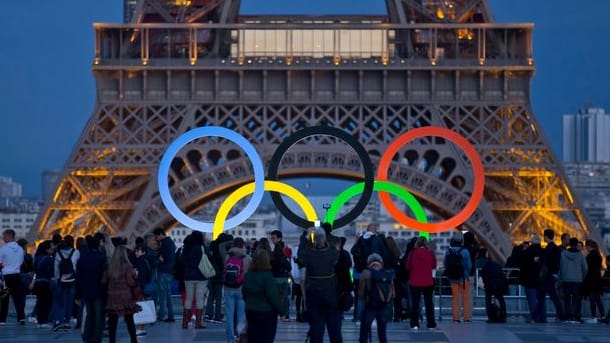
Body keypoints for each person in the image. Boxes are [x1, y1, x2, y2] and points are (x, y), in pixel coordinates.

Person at [303, 228, 342, 343]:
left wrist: (305, 238)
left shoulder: (309, 253)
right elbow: (335, 255)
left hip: (314, 294)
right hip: (330, 293)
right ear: (325, 239)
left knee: (316, 329)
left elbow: (301, 255)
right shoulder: (331, 253)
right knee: (334, 329)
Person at [242, 250, 285, 343]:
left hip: (251, 310)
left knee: (253, 337)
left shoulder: (248, 275)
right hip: (266, 312)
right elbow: (273, 296)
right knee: (266, 338)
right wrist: (281, 311)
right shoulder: (268, 277)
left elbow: (244, 294)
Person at [350, 223, 390, 322]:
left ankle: (358, 317)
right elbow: (385, 253)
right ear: (374, 230)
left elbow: (353, 251)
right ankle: (376, 317)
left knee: (360, 295)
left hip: (360, 272)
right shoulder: (378, 240)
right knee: (375, 294)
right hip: (375, 271)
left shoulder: (360, 239)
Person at [103, 245, 141, 343]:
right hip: (125, 297)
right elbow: (130, 282)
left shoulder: (110, 265)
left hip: (112, 297)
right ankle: (134, 340)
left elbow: (103, 281)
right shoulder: (127, 266)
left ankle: (112, 341)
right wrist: (135, 276)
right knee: (129, 320)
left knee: (113, 322)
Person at [76, 236, 107, 343]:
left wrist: (78, 295)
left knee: (89, 314)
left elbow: (78, 278)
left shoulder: (82, 259)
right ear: (98, 245)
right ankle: (96, 338)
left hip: (86, 291)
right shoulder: (102, 258)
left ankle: (87, 336)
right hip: (99, 291)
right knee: (99, 316)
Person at [224, 237, 251, 343]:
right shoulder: (247, 258)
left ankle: (230, 339)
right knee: (241, 315)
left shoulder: (227, 256)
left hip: (228, 288)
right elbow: (249, 274)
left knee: (229, 314)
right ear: (242, 245)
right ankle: (240, 337)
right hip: (241, 289)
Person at [405, 237, 436, 330]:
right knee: (429, 303)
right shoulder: (430, 253)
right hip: (428, 281)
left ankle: (414, 323)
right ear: (426, 243)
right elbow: (433, 265)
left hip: (415, 281)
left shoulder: (412, 253)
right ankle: (431, 323)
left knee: (415, 303)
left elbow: (408, 267)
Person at [536, 229, 564, 322]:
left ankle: (536, 316)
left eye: (544, 236)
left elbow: (546, 262)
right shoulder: (556, 248)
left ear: (546, 236)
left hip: (547, 276)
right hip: (552, 276)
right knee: (552, 297)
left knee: (542, 297)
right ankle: (560, 315)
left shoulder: (549, 248)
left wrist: (539, 260)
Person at [183, 231, 210, 329]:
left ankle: (185, 323)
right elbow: (209, 259)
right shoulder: (203, 248)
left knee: (188, 299)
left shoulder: (187, 248)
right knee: (199, 299)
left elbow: (182, 261)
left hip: (188, 276)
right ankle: (198, 323)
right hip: (201, 276)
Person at [52, 235, 80, 330]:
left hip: (61, 280)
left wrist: (57, 279)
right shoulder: (76, 252)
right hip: (72, 280)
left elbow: (56, 269)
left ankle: (58, 320)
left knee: (60, 301)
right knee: (69, 302)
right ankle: (67, 322)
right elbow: (76, 267)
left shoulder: (58, 253)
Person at [444, 232, 472, 323]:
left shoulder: (448, 251)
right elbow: (469, 265)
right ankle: (466, 318)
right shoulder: (465, 251)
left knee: (455, 298)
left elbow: (445, 264)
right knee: (465, 298)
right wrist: (466, 273)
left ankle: (456, 318)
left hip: (452, 278)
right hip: (463, 278)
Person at [0, 229, 26, 325]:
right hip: (17, 275)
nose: (3, 238)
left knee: (4, 298)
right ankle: (21, 318)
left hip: (6, 277)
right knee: (18, 298)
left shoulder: (3, 249)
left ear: (9, 236)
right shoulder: (20, 249)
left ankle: (2, 319)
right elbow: (20, 262)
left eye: (4, 236)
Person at [559, 237, 587, 323]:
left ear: (569, 244)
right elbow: (585, 268)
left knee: (567, 298)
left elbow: (561, 266)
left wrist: (561, 277)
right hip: (577, 280)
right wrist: (582, 277)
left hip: (566, 279)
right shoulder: (580, 255)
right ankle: (575, 315)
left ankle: (567, 315)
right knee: (576, 299)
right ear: (576, 244)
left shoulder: (563, 254)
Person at [206, 233, 233, 323]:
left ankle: (208, 314)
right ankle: (217, 316)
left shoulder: (212, 247)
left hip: (211, 273)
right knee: (218, 297)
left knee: (211, 295)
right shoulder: (223, 250)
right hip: (220, 275)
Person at [153, 228, 176, 322]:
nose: (155, 238)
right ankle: (169, 315)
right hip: (169, 271)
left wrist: (158, 258)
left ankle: (163, 314)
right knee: (167, 294)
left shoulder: (164, 244)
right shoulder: (170, 243)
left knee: (163, 294)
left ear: (160, 234)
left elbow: (162, 258)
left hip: (163, 271)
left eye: (156, 236)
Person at [479, 249, 507, 323]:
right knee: (501, 299)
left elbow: (483, 275)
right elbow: (503, 276)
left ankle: (491, 317)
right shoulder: (498, 266)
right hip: (499, 285)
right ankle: (503, 315)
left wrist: (486, 284)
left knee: (488, 300)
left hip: (489, 286)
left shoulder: (486, 266)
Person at [519, 235, 543, 322]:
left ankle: (534, 316)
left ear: (531, 242)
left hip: (529, 279)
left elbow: (520, 262)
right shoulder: (543, 251)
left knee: (531, 299)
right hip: (541, 279)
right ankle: (542, 317)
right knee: (541, 299)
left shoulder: (527, 252)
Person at [133, 243, 154, 336]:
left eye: (138, 251)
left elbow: (141, 277)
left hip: (140, 288)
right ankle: (141, 328)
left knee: (140, 308)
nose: (136, 252)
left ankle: (141, 328)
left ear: (143, 252)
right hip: (143, 287)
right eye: (136, 250)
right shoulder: (145, 261)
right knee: (142, 307)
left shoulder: (140, 262)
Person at [270, 230, 291, 321]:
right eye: (272, 238)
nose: (272, 240)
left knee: (277, 297)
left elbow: (281, 261)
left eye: (274, 238)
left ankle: (280, 314)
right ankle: (285, 315)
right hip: (285, 276)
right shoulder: (284, 248)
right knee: (285, 297)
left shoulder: (278, 249)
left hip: (278, 276)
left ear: (279, 238)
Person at [32, 240, 54, 328]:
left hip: (37, 282)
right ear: (47, 250)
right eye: (51, 248)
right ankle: (44, 321)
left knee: (40, 302)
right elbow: (52, 271)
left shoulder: (37, 258)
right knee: (46, 302)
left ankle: (39, 321)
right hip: (45, 282)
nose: (53, 249)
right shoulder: (49, 258)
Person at [582, 240, 604, 323]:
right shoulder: (598, 255)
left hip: (591, 281)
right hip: (597, 280)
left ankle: (594, 316)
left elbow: (588, 269)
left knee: (592, 299)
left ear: (588, 246)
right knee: (598, 299)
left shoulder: (589, 256)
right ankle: (602, 316)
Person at [335, 237, 353, 316]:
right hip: (345, 279)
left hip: (336, 278)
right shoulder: (345, 253)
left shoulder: (334, 253)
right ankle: (340, 312)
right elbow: (349, 264)